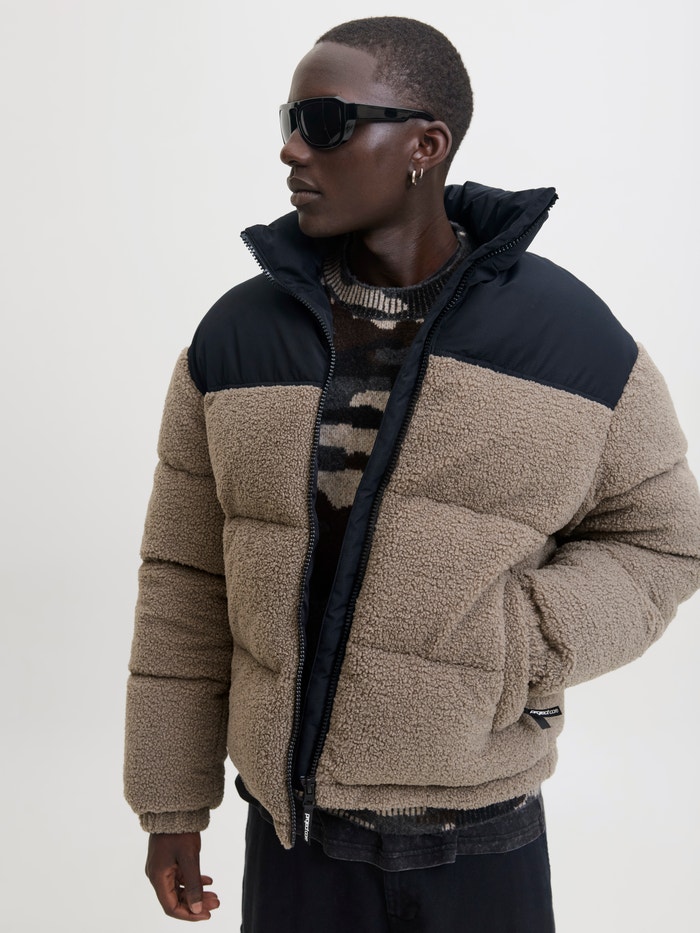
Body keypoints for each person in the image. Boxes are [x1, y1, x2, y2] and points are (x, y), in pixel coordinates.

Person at [124, 16, 700, 931]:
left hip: (485, 841)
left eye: (324, 122)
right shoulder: (235, 339)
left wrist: (516, 643)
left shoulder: (571, 341)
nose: (291, 149)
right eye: (289, 120)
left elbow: (664, 540)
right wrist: (171, 803)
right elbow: (186, 580)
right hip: (296, 843)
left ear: (425, 146)